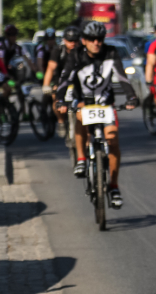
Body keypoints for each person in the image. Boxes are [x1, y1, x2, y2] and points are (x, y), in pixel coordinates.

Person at [54, 21, 140, 207]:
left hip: (105, 103)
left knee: (113, 139)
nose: (96, 42)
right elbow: (65, 77)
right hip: (83, 101)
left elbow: (122, 77)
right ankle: (81, 158)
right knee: (79, 116)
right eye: (91, 39)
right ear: (83, 41)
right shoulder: (76, 55)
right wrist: (60, 100)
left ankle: (114, 186)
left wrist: (131, 97)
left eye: (99, 39)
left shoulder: (111, 53)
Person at [44, 25, 82, 135]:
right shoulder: (58, 51)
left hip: (79, 80)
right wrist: (46, 85)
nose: (73, 43)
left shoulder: (83, 52)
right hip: (61, 80)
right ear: (64, 40)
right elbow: (50, 68)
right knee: (56, 97)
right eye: (70, 41)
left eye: (75, 41)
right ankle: (61, 121)